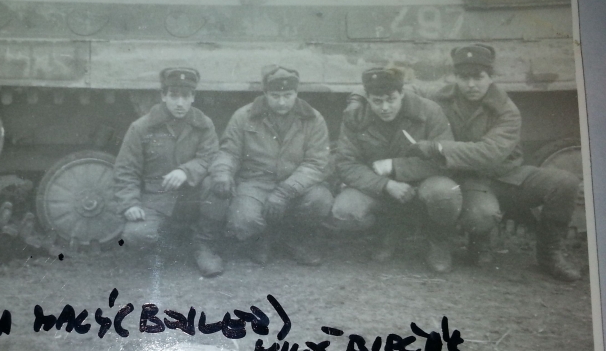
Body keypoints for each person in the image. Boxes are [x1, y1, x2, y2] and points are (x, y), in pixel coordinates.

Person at [405, 44, 581, 281]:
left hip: (504, 175)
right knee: (481, 214)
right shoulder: (442, 97)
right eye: (464, 77)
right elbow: (407, 90)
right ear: (455, 77)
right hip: (466, 178)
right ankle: (473, 242)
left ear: (491, 77)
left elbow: (489, 153)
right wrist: (364, 97)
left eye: (478, 77)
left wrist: (437, 147)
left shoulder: (506, 110)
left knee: (565, 183)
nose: (471, 84)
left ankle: (550, 254)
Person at [330, 66, 462, 273]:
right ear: (367, 97)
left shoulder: (429, 111)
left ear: (402, 93)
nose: (385, 107)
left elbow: (445, 158)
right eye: (377, 101)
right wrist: (386, 185)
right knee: (345, 210)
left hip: (423, 184)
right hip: (380, 187)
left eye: (391, 99)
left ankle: (437, 240)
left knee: (445, 193)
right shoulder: (355, 117)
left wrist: (396, 166)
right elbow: (346, 163)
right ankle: (387, 231)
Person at [208, 65, 333, 266]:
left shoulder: (313, 119)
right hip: (255, 182)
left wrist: (284, 191)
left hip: (296, 184)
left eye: (288, 95)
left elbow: (316, 163)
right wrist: (222, 172)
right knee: (243, 219)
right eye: (275, 96)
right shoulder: (244, 116)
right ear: (265, 93)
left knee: (320, 200)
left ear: (296, 93)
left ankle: (294, 238)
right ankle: (261, 238)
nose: (282, 102)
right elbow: (229, 151)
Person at [112, 66, 225, 277]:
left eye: (186, 96)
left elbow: (210, 157)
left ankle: (204, 246)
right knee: (137, 235)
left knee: (216, 185)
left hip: (192, 196)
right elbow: (126, 169)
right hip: (157, 197)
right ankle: (161, 248)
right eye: (174, 96)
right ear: (163, 96)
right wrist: (129, 203)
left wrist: (186, 171)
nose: (180, 103)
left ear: (193, 97)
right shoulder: (142, 127)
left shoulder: (203, 125)